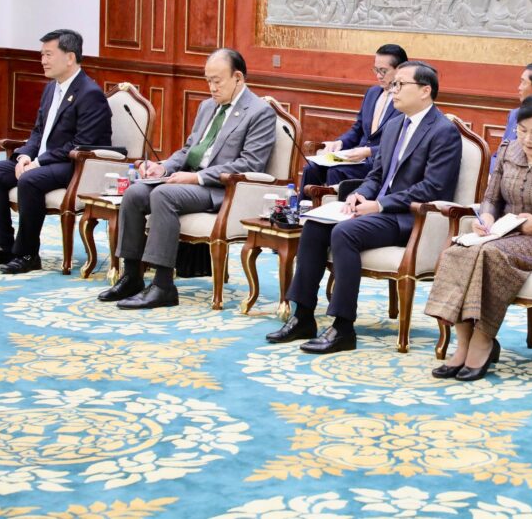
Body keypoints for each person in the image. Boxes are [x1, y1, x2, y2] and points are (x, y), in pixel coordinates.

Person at [265, 61, 462, 352]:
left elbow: (433, 188)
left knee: (345, 232)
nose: (393, 90)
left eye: (400, 84)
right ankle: (303, 316)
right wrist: (360, 195)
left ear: (425, 90)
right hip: (379, 211)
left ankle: (343, 327)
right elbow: (377, 175)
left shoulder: (443, 131)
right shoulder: (395, 126)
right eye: (393, 85)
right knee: (314, 225)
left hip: (412, 218)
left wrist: (380, 204)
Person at [425, 92, 532, 381]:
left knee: (490, 254)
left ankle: (483, 341)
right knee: (457, 250)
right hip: (502, 234)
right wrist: (486, 219)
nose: (528, 140)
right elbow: (491, 198)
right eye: (522, 130)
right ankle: (463, 343)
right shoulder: (509, 150)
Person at [97, 48, 276, 309]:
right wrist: (163, 168)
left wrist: (197, 177)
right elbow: (189, 150)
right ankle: (132, 276)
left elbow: (250, 164)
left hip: (221, 189)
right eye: (208, 80)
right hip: (187, 179)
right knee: (135, 193)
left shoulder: (259, 112)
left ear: (238, 78)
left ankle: (163, 286)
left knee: (163, 195)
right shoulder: (207, 106)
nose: (212, 88)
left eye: (217, 81)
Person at [0, 29, 111, 274]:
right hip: (44, 161)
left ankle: (28, 253)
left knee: (30, 180)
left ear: (70, 57)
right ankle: (4, 246)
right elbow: (38, 131)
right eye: (41, 55)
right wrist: (25, 155)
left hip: (75, 165)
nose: (42, 60)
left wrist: (39, 162)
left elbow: (82, 143)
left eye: (48, 54)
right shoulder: (51, 89)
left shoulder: (90, 94)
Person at [301, 44, 407, 191]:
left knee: (336, 171)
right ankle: (301, 206)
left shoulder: (406, 99)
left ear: (400, 70)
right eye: (376, 70)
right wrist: (340, 142)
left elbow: (404, 142)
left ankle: (336, 207)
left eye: (383, 71)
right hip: (357, 158)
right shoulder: (372, 93)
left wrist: (369, 151)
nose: (378, 76)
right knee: (311, 168)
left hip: (380, 162)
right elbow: (358, 129)